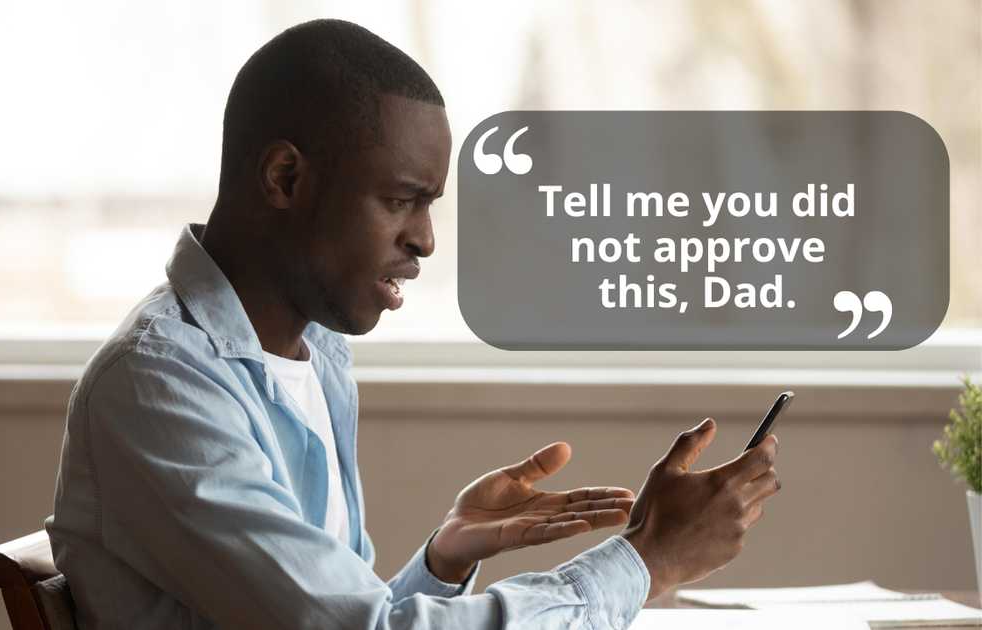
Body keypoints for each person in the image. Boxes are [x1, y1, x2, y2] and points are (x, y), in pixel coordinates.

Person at [46, 18, 781, 630]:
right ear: (285, 179)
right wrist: (647, 561)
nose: (426, 239)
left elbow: (341, 615)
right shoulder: (158, 387)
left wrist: (443, 561)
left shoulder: (315, 353)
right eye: (403, 200)